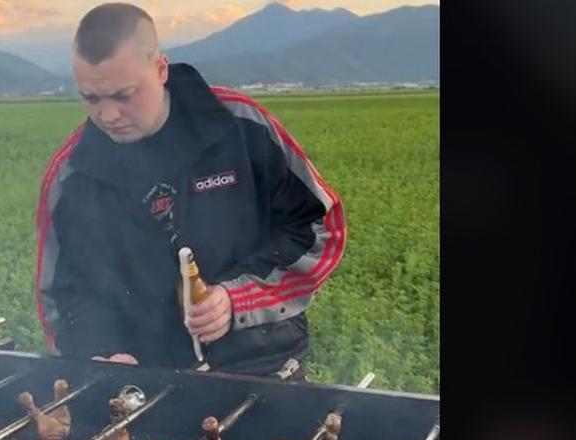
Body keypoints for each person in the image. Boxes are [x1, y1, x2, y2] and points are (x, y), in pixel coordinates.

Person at [34, 3, 346, 377]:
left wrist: (238, 299)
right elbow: (60, 293)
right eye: (91, 98)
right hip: (143, 386)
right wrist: (94, 353)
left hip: (261, 369)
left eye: (124, 95)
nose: (108, 115)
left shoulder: (240, 127)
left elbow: (321, 227)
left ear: (160, 69)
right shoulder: (74, 173)